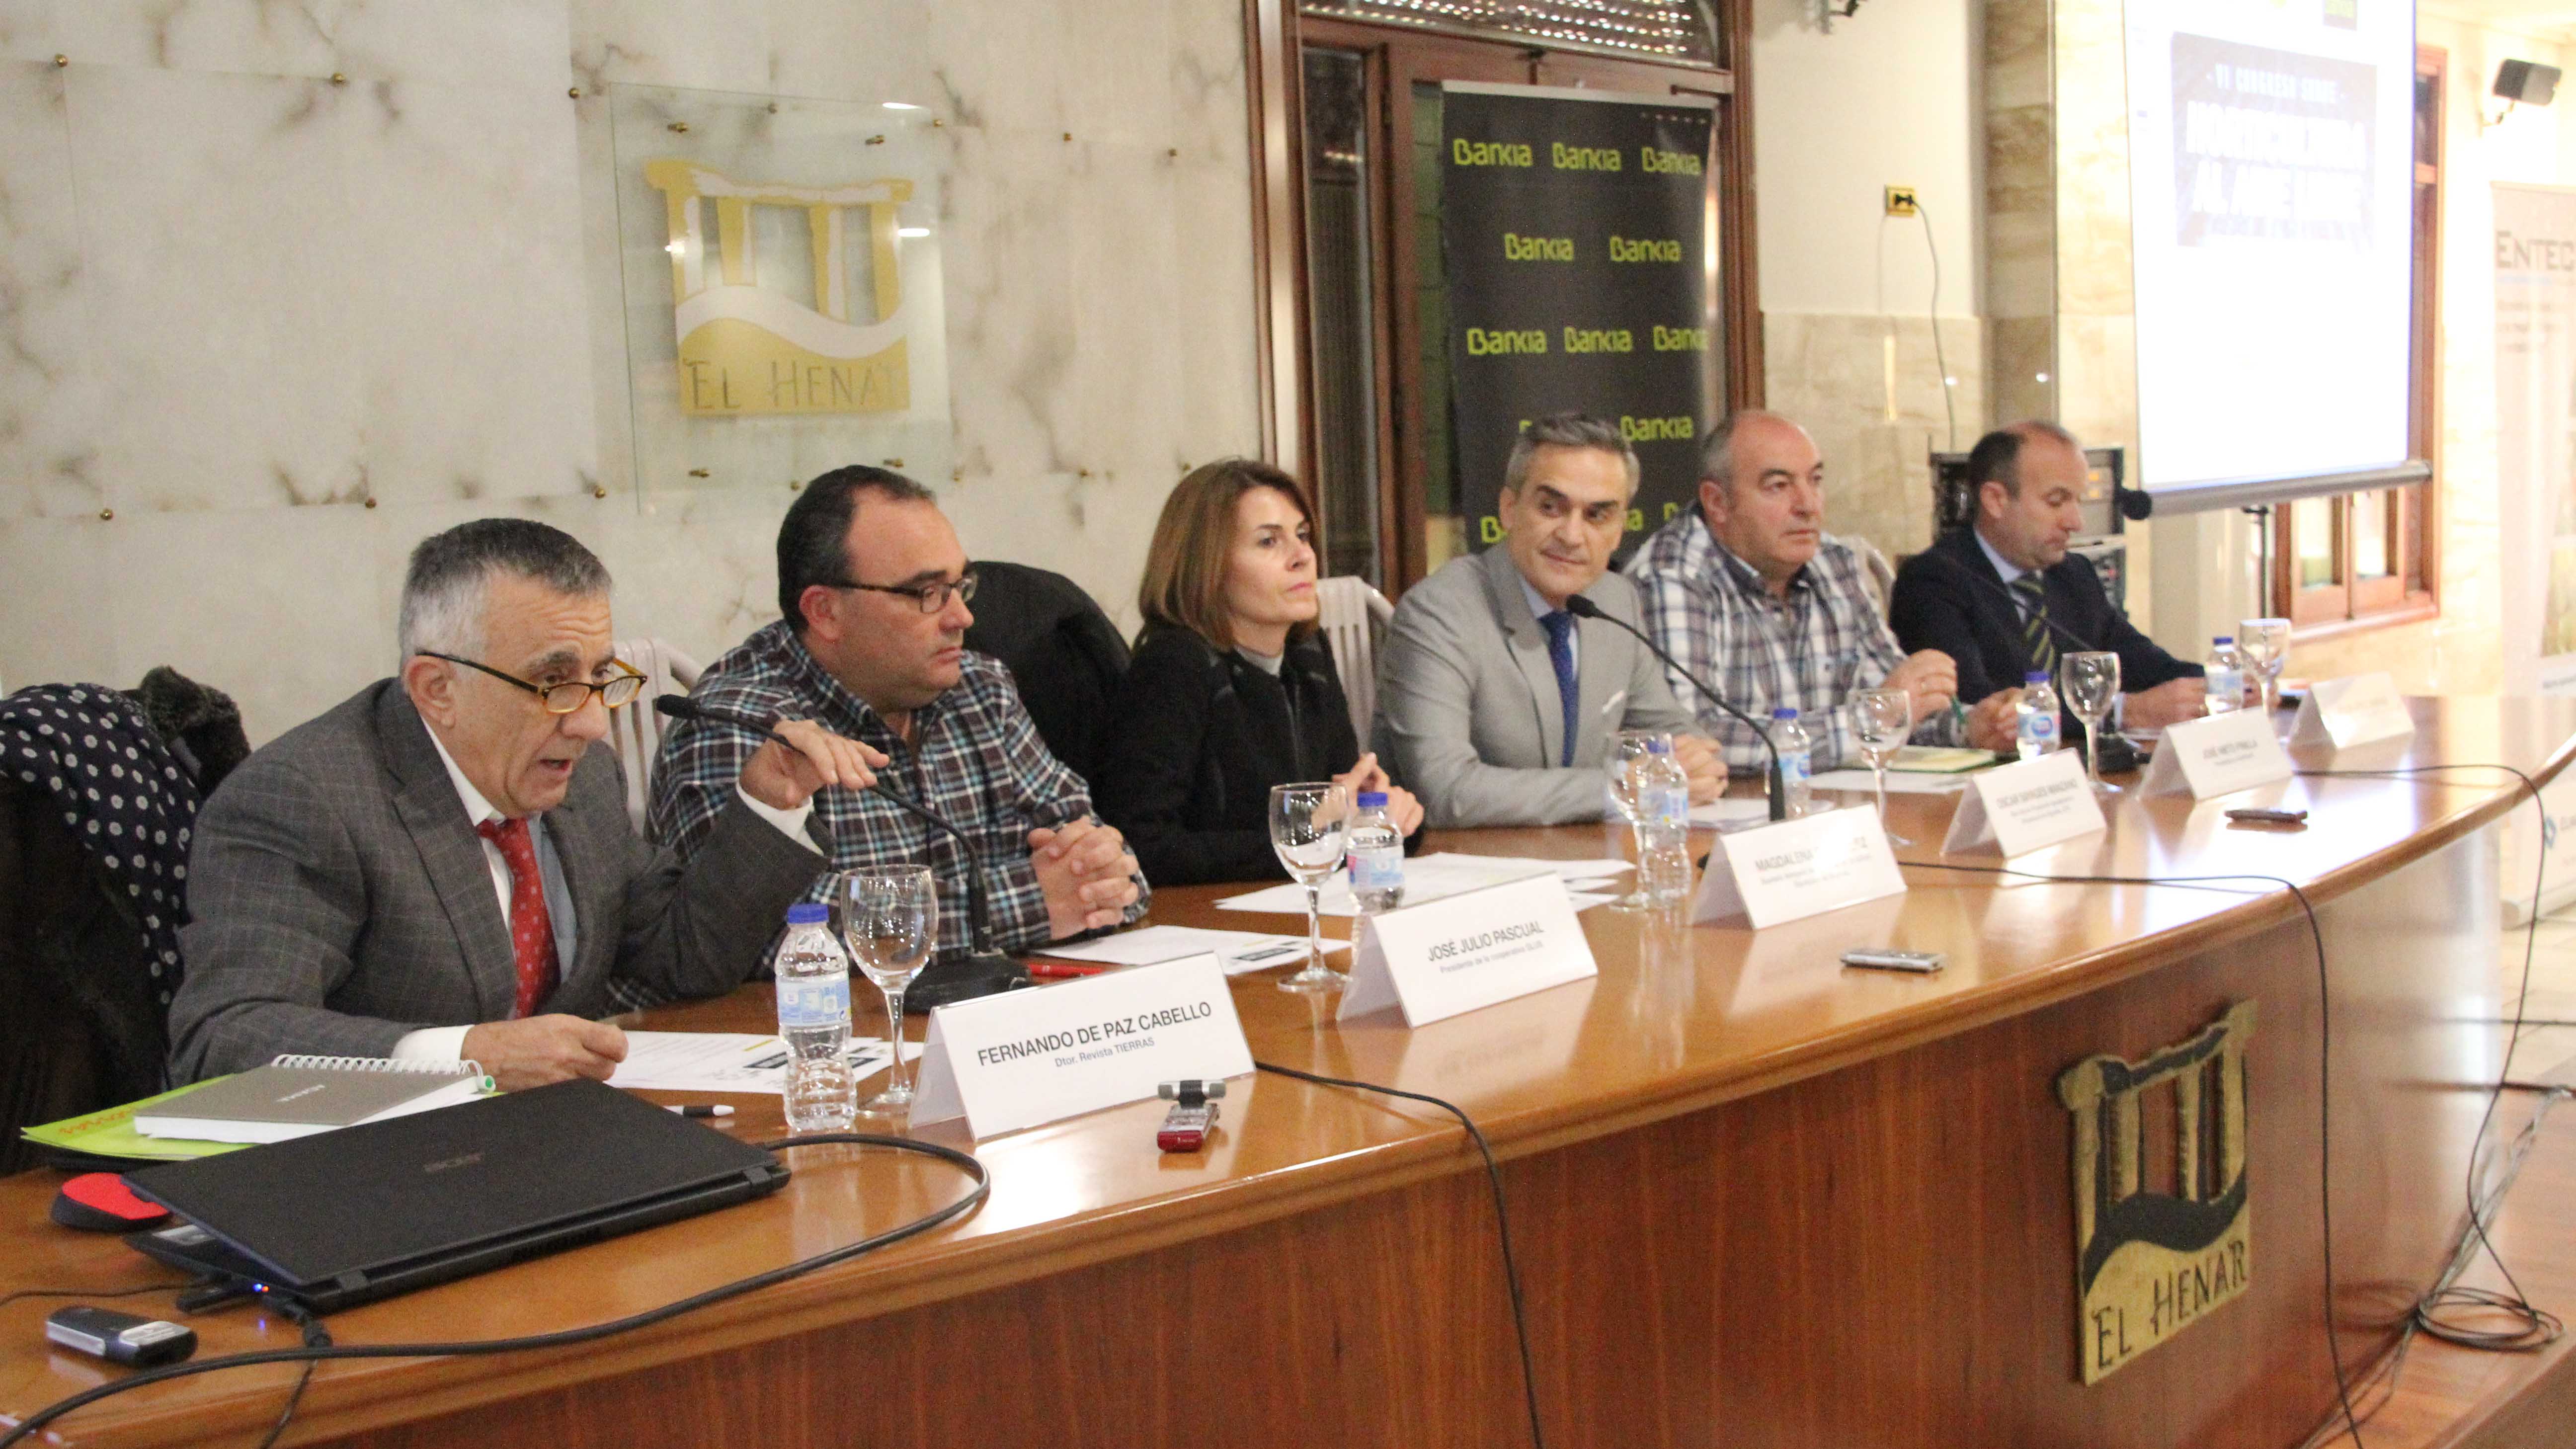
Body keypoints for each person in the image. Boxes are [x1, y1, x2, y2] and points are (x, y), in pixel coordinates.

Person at [168, 521, 874, 1088]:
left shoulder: (583, 777)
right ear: (436, 689)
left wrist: (768, 803)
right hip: (382, 1182)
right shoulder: (306, 799)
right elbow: (225, 1036)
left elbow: (679, 956)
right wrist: (469, 1054)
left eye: (603, 677)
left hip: (553, 1146)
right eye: (554, 682)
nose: (594, 724)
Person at [651, 466, 1146, 958]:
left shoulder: (980, 688)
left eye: (961, 586)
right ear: (825, 611)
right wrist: (1028, 904)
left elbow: (1113, 868)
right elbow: (761, 941)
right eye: (927, 594)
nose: (963, 618)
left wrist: (1095, 875)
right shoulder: (739, 724)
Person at [1375, 413, 1727, 828]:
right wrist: (1622, 786)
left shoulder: (1615, 599)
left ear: (1619, 531)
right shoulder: (1440, 613)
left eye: (1597, 516)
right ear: (1509, 509)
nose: (1572, 536)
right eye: (1551, 508)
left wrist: (1698, 761)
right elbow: (1447, 791)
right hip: (1469, 873)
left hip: (1583, 861)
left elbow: (1670, 730)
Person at [1626, 410, 2022, 773]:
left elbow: (1894, 701)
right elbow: (1697, 740)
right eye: (1779, 486)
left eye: (1815, 481)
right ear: (1717, 502)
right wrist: (1874, 719)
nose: (1808, 506)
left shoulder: (1834, 563)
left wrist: (1971, 728)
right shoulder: (1673, 578)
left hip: (1834, 816)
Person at [1094, 460, 1424, 885]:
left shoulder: (1308, 655)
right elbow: (1140, 845)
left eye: (1303, 536)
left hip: (1289, 906)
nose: (1303, 556)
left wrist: (1383, 813)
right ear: (1206, 565)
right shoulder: (1174, 666)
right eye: (1269, 541)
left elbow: (1340, 806)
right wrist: (1306, 832)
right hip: (1202, 925)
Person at [1888, 421, 2205, 727]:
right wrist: (2123, 712)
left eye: (2078, 501)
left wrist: (2221, 683)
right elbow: (1980, 708)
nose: (2075, 522)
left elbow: (2141, 663)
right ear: (1995, 500)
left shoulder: (2073, 573)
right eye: (2057, 502)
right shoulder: (1933, 581)